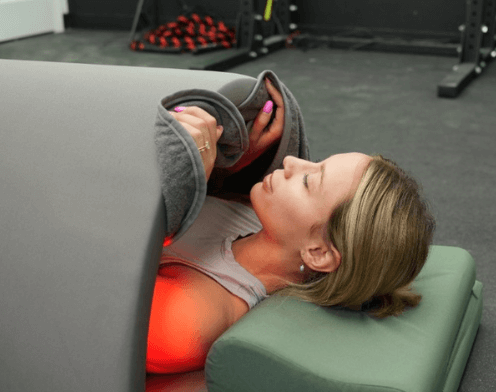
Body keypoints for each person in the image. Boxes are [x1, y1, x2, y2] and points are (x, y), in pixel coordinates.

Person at [146, 79, 435, 375]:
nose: (292, 162)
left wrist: (185, 177)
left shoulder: (192, 319)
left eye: (310, 181)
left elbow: (106, 287)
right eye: (317, 163)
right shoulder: (257, 217)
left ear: (319, 252)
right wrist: (228, 165)